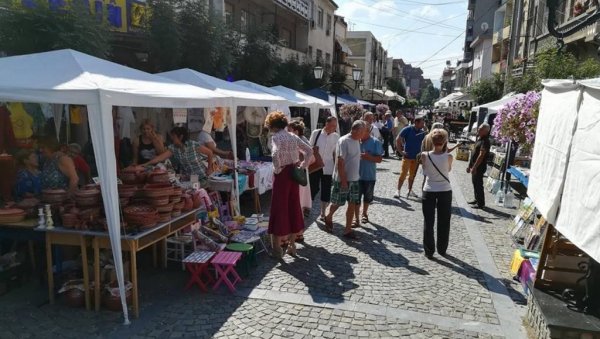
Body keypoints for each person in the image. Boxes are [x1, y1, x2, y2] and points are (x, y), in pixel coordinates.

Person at [265, 111, 312, 258]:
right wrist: (302, 166)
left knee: (279, 209)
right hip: (293, 174)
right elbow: (309, 150)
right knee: (293, 207)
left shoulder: (276, 138)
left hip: (283, 175)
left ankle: (277, 249)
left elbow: (274, 154)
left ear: (272, 125)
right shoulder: (292, 136)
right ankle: (292, 246)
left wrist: (278, 169)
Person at [324, 120, 367, 239]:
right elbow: (340, 162)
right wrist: (343, 180)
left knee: (352, 203)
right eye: (362, 131)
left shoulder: (357, 140)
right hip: (342, 179)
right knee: (337, 202)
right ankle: (328, 216)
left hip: (354, 179)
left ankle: (347, 230)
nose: (364, 133)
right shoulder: (344, 141)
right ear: (355, 130)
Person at [140, 127, 214, 187]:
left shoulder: (193, 144)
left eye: (174, 136)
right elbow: (160, 158)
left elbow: (210, 153)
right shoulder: (173, 148)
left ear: (180, 137)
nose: (171, 138)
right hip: (190, 177)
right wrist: (146, 164)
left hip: (201, 177)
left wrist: (209, 168)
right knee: (189, 189)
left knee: (193, 190)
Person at [421, 129, 453, 259]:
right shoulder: (449, 157)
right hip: (445, 190)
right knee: (444, 221)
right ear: (445, 141)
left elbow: (424, 170)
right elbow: (449, 170)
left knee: (428, 221)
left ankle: (429, 250)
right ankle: (442, 248)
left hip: (429, 189)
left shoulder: (424, 155)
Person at [309, 116, 339, 221]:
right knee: (313, 188)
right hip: (316, 165)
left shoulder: (336, 137)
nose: (334, 128)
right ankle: (307, 207)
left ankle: (323, 212)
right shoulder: (316, 133)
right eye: (332, 125)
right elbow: (309, 148)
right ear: (326, 124)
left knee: (326, 190)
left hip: (328, 167)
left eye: (335, 126)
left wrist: (337, 168)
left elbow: (336, 153)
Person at [355, 128, 383, 225]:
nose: (360, 133)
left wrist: (368, 157)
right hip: (355, 175)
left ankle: (364, 214)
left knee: (367, 197)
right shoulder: (355, 140)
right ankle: (356, 218)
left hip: (369, 175)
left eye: (362, 131)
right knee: (355, 198)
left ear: (368, 132)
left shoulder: (375, 142)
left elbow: (379, 159)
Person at [395, 115, 426, 199]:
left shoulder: (422, 131)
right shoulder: (408, 129)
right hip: (407, 156)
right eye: (422, 123)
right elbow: (398, 139)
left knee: (412, 175)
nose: (423, 125)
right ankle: (398, 190)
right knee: (403, 174)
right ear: (416, 122)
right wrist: (401, 151)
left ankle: (410, 190)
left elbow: (424, 144)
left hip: (416, 157)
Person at [287, 120, 312, 220]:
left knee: (300, 195)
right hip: (298, 171)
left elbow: (310, 153)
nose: (288, 132)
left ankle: (299, 216)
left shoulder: (300, 139)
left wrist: (302, 165)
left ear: (296, 131)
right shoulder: (298, 139)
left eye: (289, 130)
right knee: (298, 195)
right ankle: (298, 216)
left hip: (299, 172)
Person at [467, 123, 491, 209]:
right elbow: (474, 152)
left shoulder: (485, 141)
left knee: (478, 184)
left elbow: (481, 155)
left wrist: (475, 167)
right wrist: (470, 165)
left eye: (480, 129)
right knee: (475, 183)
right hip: (474, 165)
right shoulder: (479, 139)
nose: (478, 130)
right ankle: (476, 199)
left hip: (479, 166)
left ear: (486, 131)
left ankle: (481, 203)